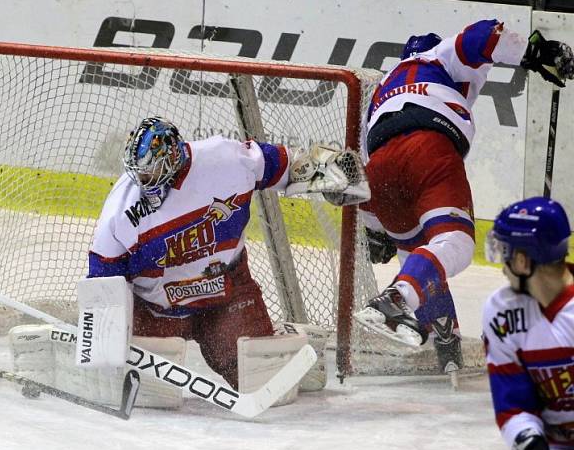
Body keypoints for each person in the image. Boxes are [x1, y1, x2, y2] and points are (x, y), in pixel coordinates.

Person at [354, 20, 574, 374]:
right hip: (428, 148)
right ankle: (395, 299)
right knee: (454, 242)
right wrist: (536, 51)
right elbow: (482, 36)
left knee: (418, 255)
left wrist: (375, 228)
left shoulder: (380, 92)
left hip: (381, 171)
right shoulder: (433, 59)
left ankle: (445, 346)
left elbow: (363, 171)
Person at [87, 116, 368, 389]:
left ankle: (301, 344)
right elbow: (103, 285)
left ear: (173, 159)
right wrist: (104, 344)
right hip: (158, 311)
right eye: (139, 173)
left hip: (225, 294)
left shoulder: (224, 160)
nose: (144, 181)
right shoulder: (119, 213)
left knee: (259, 380)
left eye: (151, 172)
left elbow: (287, 165)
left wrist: (327, 171)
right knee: (146, 390)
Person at [483, 197, 574, 450]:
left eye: (506, 252)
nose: (502, 265)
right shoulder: (502, 315)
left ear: (523, 260)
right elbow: (514, 405)